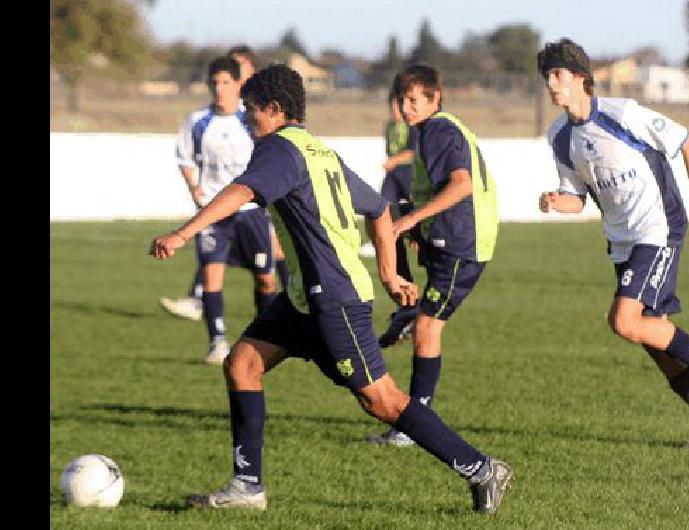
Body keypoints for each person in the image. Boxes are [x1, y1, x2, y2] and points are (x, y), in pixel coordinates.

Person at [149, 64, 513, 513]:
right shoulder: (320, 151)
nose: (245, 119)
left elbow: (240, 192)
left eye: (251, 110)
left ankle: (481, 468)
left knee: (382, 400)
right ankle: (247, 487)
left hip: (335, 297)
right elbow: (378, 210)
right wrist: (389, 275)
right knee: (242, 364)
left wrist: (182, 235)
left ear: (275, 110)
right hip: (306, 295)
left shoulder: (279, 148)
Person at [535, 38, 689, 448]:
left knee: (624, 321)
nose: (552, 85)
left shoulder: (622, 113)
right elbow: (577, 197)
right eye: (547, 77)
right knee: (653, 337)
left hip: (658, 227)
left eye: (558, 75)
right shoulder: (558, 137)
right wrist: (559, 201)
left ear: (581, 79)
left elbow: (688, 142)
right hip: (622, 240)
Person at [367, 65, 499, 447]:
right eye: (402, 101)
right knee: (381, 213)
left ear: (434, 98)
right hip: (448, 238)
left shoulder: (440, 130)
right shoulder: (428, 130)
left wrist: (412, 220)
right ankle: (407, 307)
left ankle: (413, 425)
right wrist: (418, 228)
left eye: (414, 101)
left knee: (428, 330)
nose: (406, 108)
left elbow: (461, 186)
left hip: (462, 243)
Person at [160, 45, 289, 322]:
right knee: (211, 275)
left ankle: (275, 324)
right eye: (215, 83)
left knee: (267, 278)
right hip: (213, 211)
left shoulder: (252, 119)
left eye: (226, 82)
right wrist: (194, 187)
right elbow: (184, 157)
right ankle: (216, 340)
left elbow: (272, 155)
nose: (220, 89)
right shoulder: (198, 122)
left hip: (251, 212)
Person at [376, 75, 422, 348]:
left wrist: (394, 160)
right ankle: (406, 296)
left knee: (408, 228)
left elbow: (412, 153)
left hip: (407, 176)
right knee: (383, 217)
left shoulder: (410, 127)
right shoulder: (389, 127)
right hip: (393, 178)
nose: (398, 110)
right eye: (395, 104)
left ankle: (415, 308)